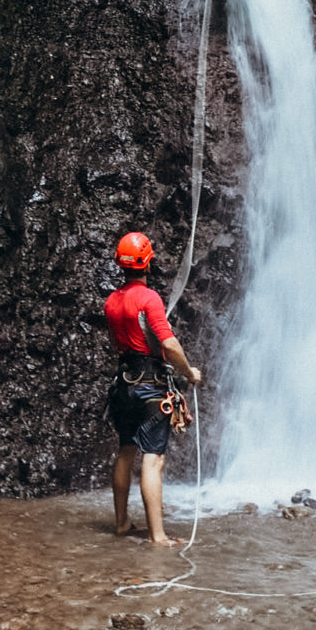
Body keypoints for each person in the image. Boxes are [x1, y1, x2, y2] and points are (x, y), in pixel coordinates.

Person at [104, 230, 202, 546]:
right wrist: (189, 372)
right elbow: (169, 344)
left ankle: (121, 524)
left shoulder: (112, 301)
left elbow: (117, 346)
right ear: (148, 262)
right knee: (152, 458)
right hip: (151, 388)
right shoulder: (149, 299)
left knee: (125, 450)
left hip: (123, 386)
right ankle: (157, 535)